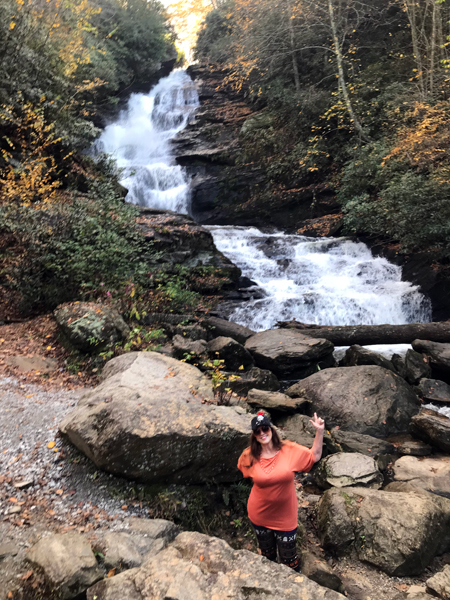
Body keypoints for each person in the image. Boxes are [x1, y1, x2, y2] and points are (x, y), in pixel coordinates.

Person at [237, 410, 325, 572]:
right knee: (267, 556)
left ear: (271, 429)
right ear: (254, 435)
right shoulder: (249, 456)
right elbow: (242, 468)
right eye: (258, 431)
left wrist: (320, 431)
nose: (262, 433)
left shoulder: (289, 450)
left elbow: (315, 456)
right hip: (259, 514)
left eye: (265, 429)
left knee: (290, 562)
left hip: (285, 517)